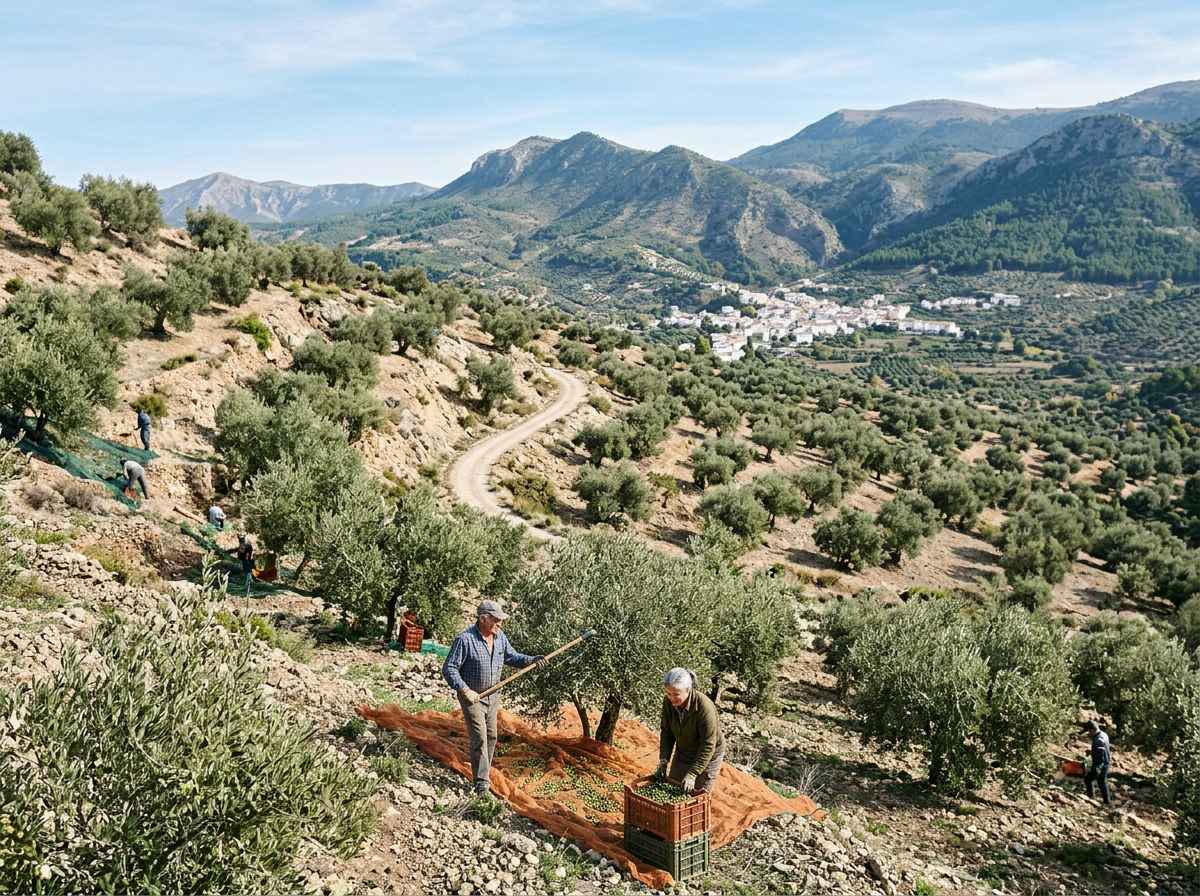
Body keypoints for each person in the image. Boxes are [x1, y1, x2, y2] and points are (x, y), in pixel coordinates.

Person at [442, 600, 544, 795]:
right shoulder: (465, 640)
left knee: (491, 736)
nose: (500, 623)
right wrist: (464, 689)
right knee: (479, 737)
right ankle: (481, 784)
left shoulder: (499, 637)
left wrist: (531, 660)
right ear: (483, 618)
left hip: (493, 696)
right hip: (473, 697)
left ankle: (484, 774)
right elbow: (449, 668)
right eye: (496, 619)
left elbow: (512, 657)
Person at [655, 667, 725, 795]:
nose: (671, 698)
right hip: (684, 750)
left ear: (688, 690)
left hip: (708, 754)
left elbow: (708, 744)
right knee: (672, 790)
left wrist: (693, 774)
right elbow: (667, 732)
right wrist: (664, 760)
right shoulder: (668, 702)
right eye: (668, 693)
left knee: (696, 795)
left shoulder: (704, 708)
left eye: (676, 694)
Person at [1083, 719, 1112, 806]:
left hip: (1100, 764)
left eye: (1088, 731)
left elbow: (1101, 754)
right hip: (1106, 762)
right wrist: (1091, 752)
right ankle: (1107, 802)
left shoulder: (1098, 739)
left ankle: (1091, 799)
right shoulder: (1104, 734)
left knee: (1088, 779)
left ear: (1092, 730)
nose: (1088, 734)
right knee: (1102, 782)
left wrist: (1097, 768)